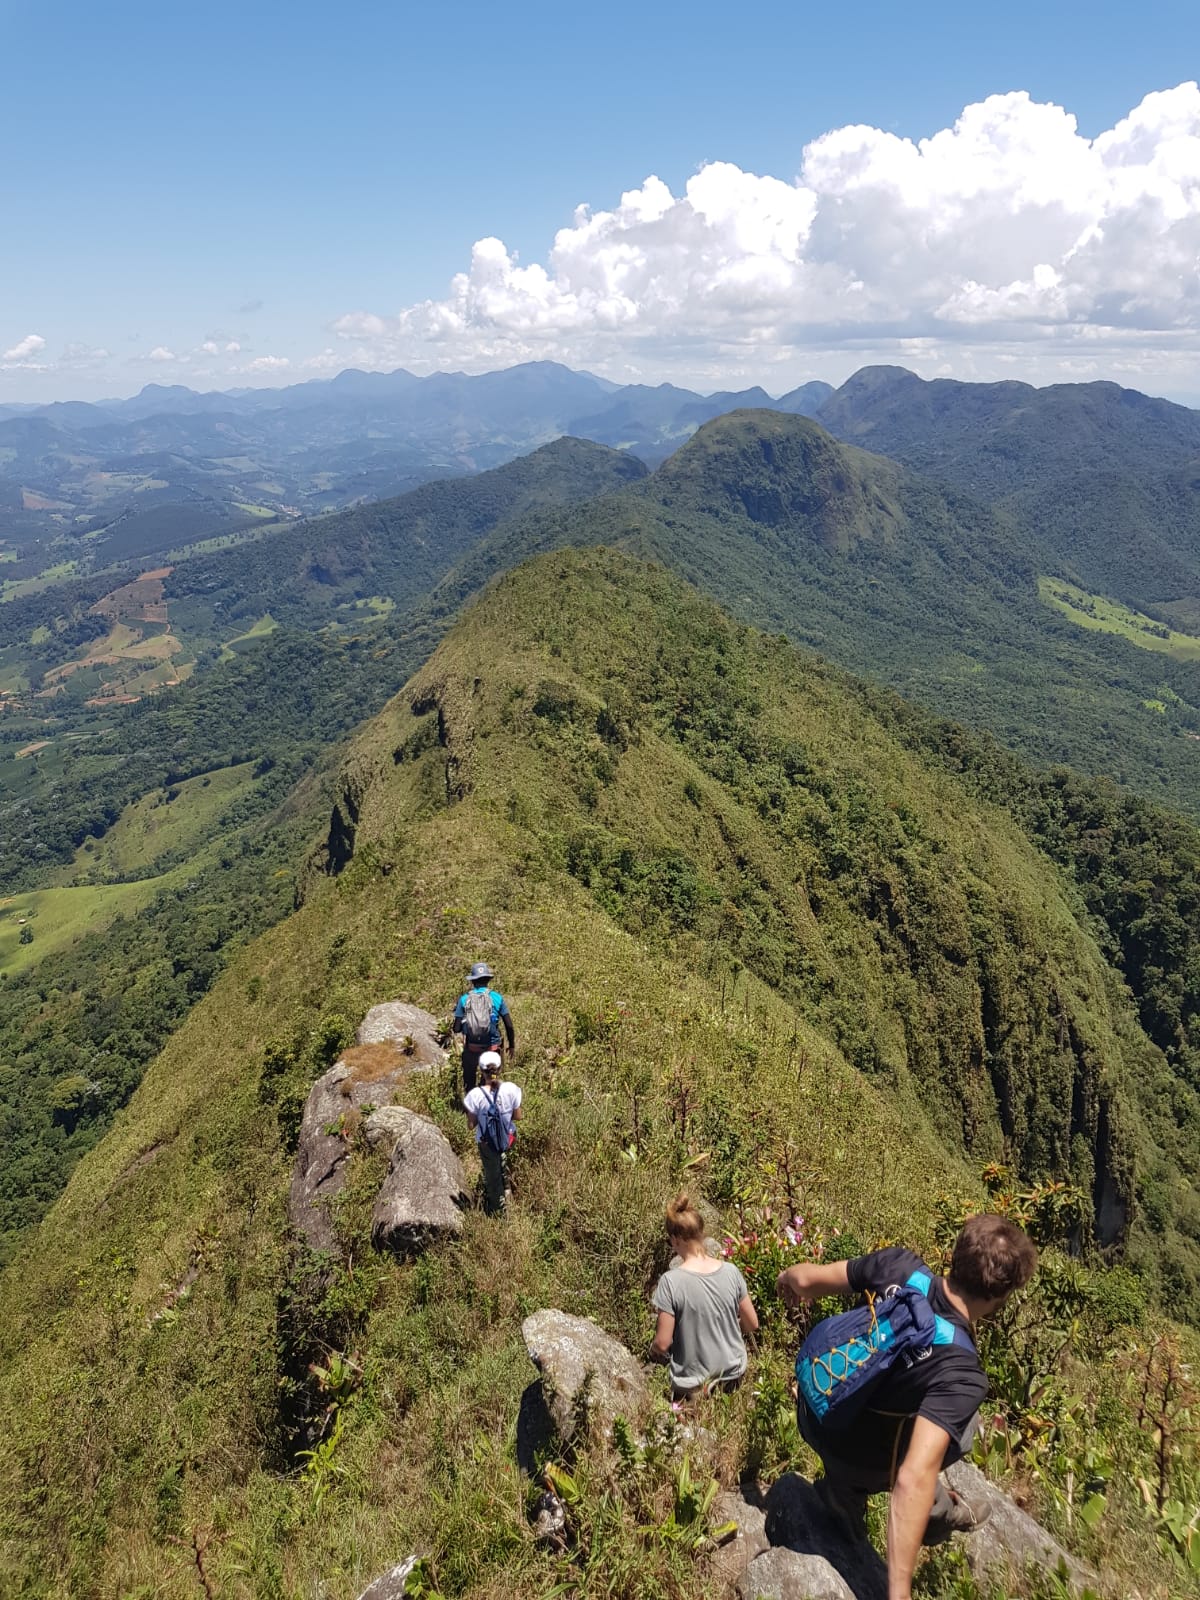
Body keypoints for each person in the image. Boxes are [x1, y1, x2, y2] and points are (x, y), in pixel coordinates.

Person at [777, 1214, 1038, 1600]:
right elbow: (913, 1477)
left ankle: (847, 1493)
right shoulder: (963, 1374)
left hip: (814, 1411)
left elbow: (805, 1280)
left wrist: (785, 1279)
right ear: (1001, 1296)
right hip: (859, 1456)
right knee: (963, 1432)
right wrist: (898, 1593)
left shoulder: (898, 1265)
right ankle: (927, 1509)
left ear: (956, 1253)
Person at [650, 1194, 759, 1397]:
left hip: (693, 1387)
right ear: (701, 1234)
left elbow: (663, 1342)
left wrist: (653, 1348)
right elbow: (752, 1323)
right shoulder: (731, 1271)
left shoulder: (670, 1282)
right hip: (733, 1379)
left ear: (675, 1239)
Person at [463, 1051, 521, 1213]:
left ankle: (500, 1213)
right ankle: (508, 1188)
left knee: (492, 1178)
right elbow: (518, 1116)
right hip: (509, 1137)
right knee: (504, 1159)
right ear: (500, 1068)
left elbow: (471, 1125)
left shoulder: (474, 1095)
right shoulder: (511, 1089)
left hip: (487, 1143)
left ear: (480, 1071)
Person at [453, 961, 516, 1095]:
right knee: (491, 1082)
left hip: (471, 1048)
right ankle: (487, 1107)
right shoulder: (497, 997)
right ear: (488, 980)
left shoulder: (464, 999)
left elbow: (456, 1028)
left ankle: (470, 1109)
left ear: (473, 981)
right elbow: (509, 1025)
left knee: (469, 1081)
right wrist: (512, 1045)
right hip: (492, 1048)